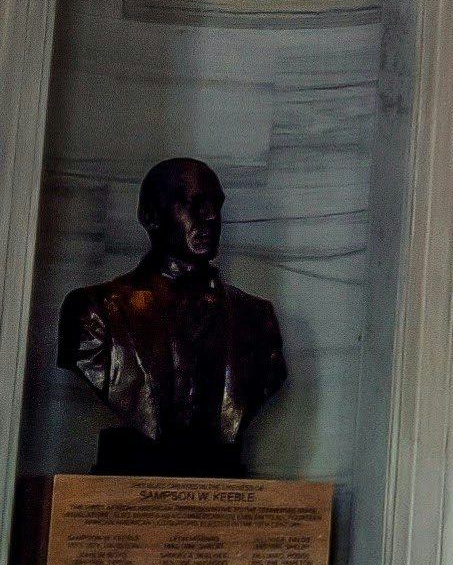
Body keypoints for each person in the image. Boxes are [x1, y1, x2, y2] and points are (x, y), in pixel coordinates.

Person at [58, 157, 288, 474]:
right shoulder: (95, 311)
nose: (211, 216)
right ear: (151, 217)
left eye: (216, 204)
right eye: (194, 203)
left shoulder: (258, 319)